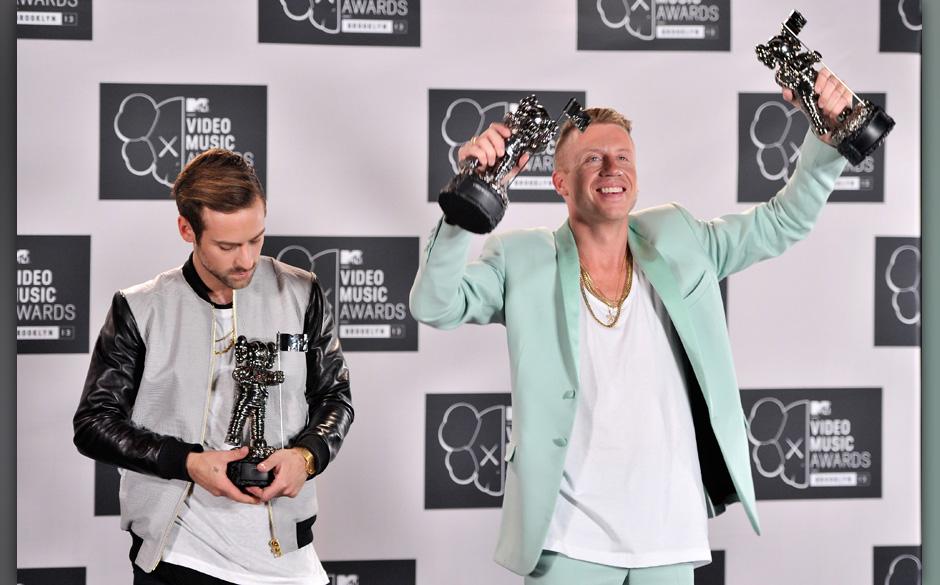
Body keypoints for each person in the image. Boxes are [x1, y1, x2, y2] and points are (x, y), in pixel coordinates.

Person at [410, 70, 851, 585]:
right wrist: (467, 198)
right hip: (566, 544)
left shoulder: (681, 238)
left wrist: (828, 136)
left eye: (623, 157)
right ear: (560, 182)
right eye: (592, 159)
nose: (611, 168)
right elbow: (435, 304)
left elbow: (782, 221)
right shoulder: (523, 257)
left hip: (669, 540)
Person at [74, 149, 354, 585]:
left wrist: (306, 456)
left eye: (256, 239)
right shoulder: (140, 307)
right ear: (187, 229)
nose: (246, 260)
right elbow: (94, 422)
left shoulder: (301, 291)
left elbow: (334, 397)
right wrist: (186, 462)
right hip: (179, 553)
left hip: (286, 553)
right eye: (227, 246)